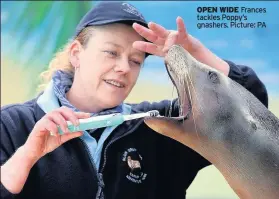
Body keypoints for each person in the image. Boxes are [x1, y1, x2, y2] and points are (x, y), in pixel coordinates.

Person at [0, 2, 268, 199]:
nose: (124, 68)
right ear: (76, 54)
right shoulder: (12, 125)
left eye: (135, 61)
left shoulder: (163, 126)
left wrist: (195, 55)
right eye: (111, 53)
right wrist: (27, 156)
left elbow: (250, 105)